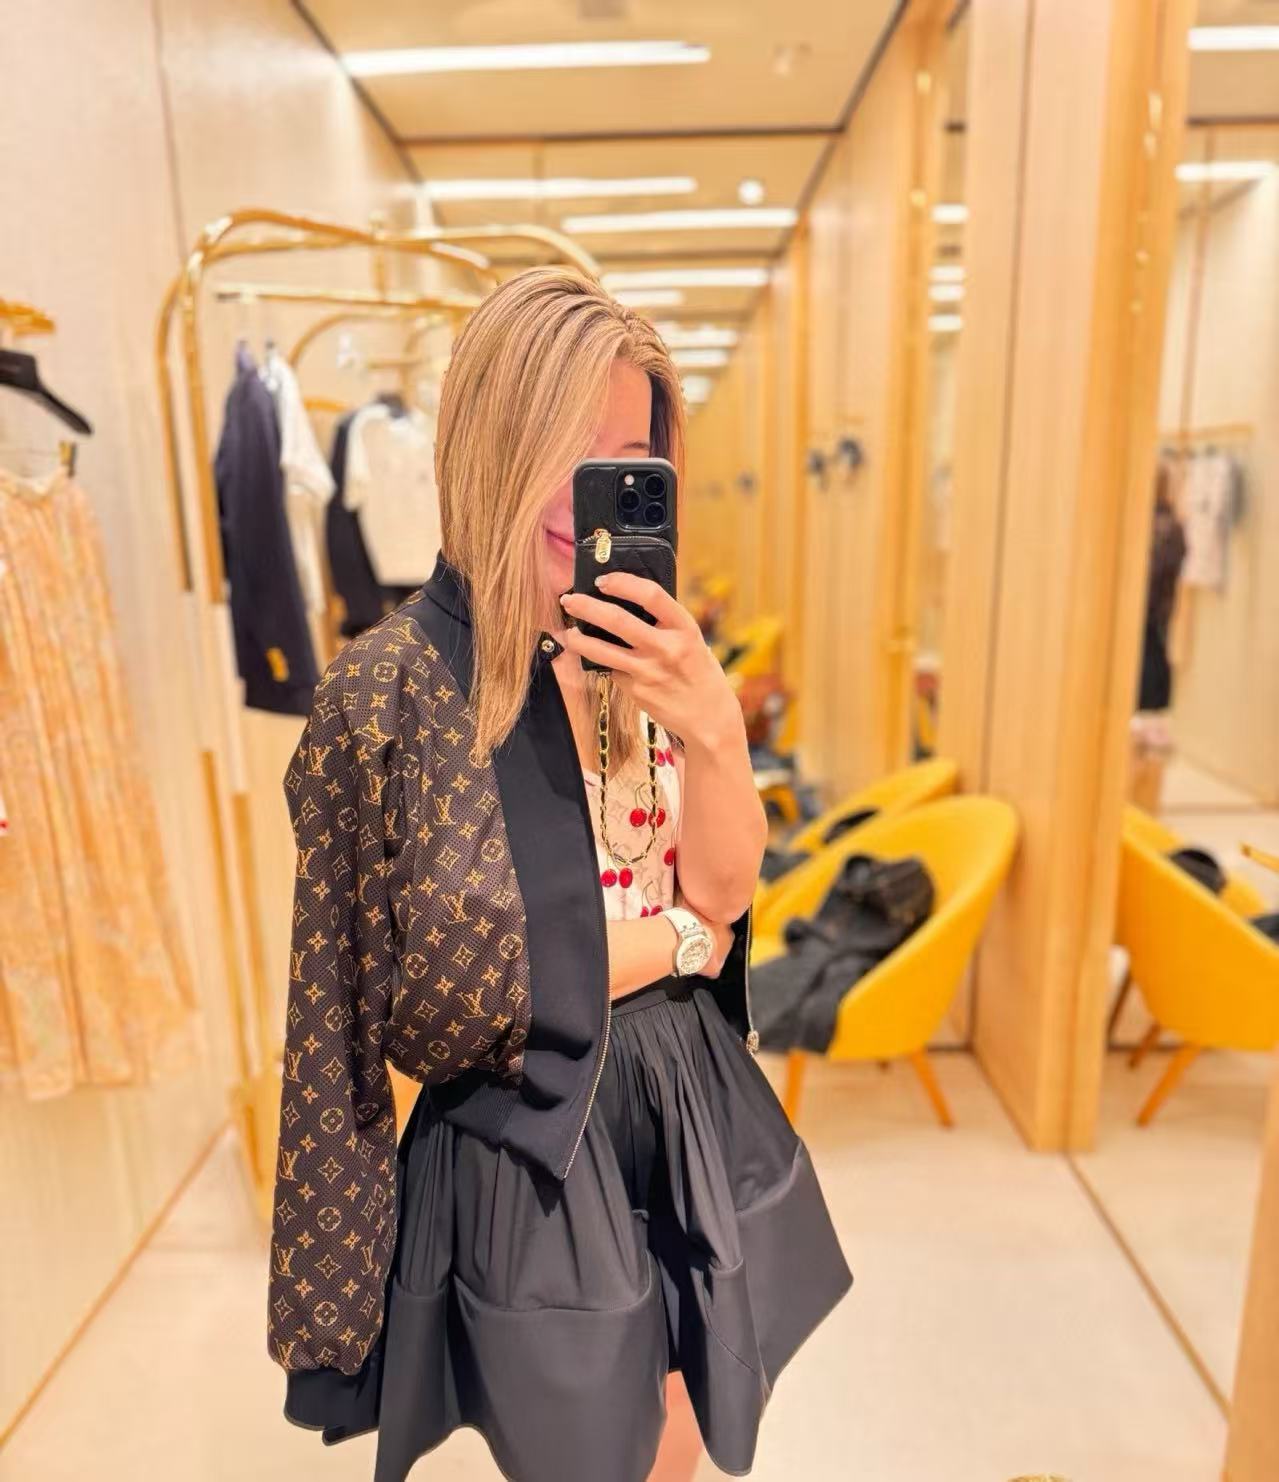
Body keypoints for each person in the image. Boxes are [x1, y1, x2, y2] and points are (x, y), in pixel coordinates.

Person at [266, 266, 853, 1482]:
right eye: (556, 445)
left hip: (685, 1102)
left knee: (687, 1411)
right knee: (580, 1446)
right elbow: (399, 1013)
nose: (580, 491)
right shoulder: (387, 695)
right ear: (487, 443)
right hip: (529, 1151)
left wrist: (713, 727)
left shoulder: (639, 649)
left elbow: (725, 894)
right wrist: (673, 940)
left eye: (625, 458)